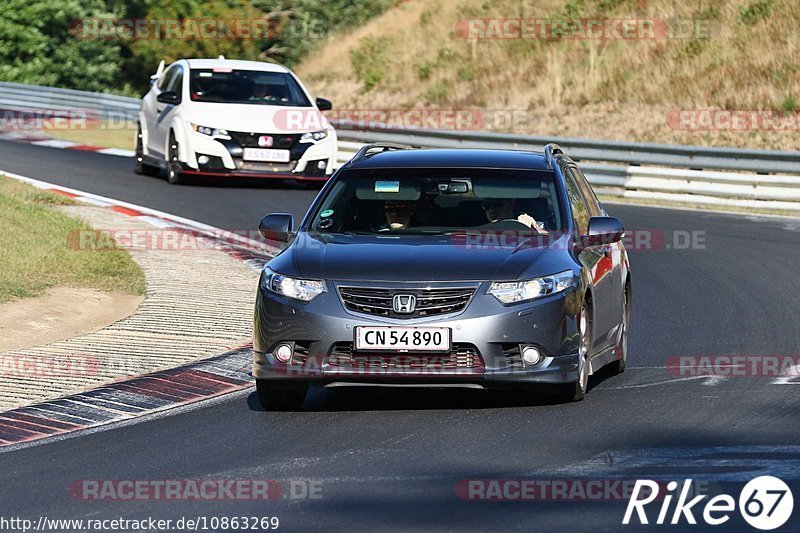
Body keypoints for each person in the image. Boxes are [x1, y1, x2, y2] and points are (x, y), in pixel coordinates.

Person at [482, 198, 548, 234]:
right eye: (486, 205)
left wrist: (534, 228)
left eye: (497, 203)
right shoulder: (479, 233)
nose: (491, 210)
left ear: (511, 204)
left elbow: (552, 242)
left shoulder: (528, 223)